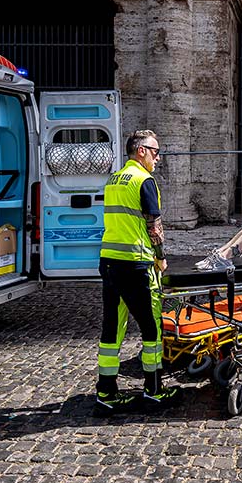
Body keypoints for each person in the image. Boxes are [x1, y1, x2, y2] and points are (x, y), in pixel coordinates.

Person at [94, 129, 176, 414]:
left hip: (109, 261)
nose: (158, 157)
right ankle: (154, 389)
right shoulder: (144, 180)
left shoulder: (114, 179)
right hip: (136, 262)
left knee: (112, 328)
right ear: (140, 151)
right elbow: (153, 222)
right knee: (151, 326)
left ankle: (106, 392)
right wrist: (161, 257)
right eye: (155, 151)